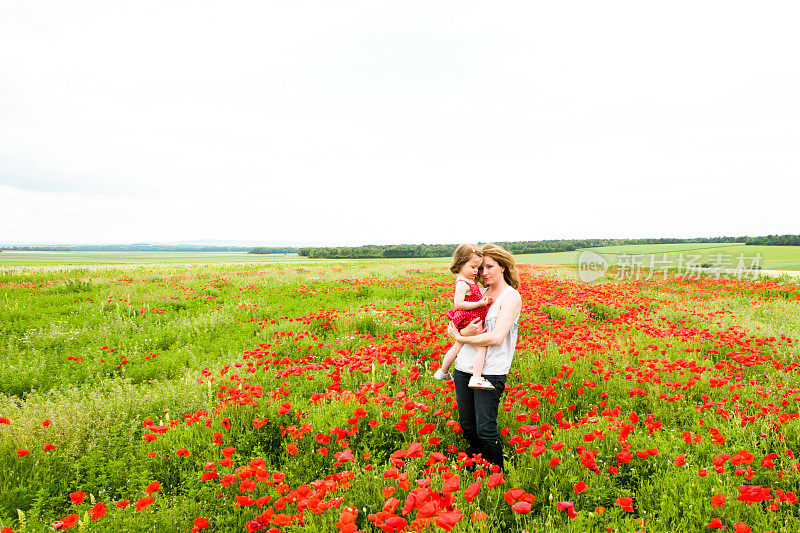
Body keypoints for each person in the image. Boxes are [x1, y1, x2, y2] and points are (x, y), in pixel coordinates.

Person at [446, 243, 522, 472]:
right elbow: (457, 322)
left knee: (486, 429)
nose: (484, 272)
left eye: (490, 266)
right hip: (464, 368)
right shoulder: (480, 294)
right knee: (468, 425)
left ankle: (497, 474)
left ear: (503, 266)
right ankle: (477, 467)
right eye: (480, 268)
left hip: (491, 371)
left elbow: (497, 337)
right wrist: (460, 333)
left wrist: (462, 337)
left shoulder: (511, 297)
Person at [434, 244, 494, 390]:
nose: (476, 271)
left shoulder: (468, 280)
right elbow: (458, 304)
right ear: (461, 263)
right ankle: (476, 377)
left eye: (478, 267)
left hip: (468, 317)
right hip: (468, 318)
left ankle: (443, 371)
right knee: (481, 347)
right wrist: (480, 303)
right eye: (473, 267)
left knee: (457, 345)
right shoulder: (462, 283)